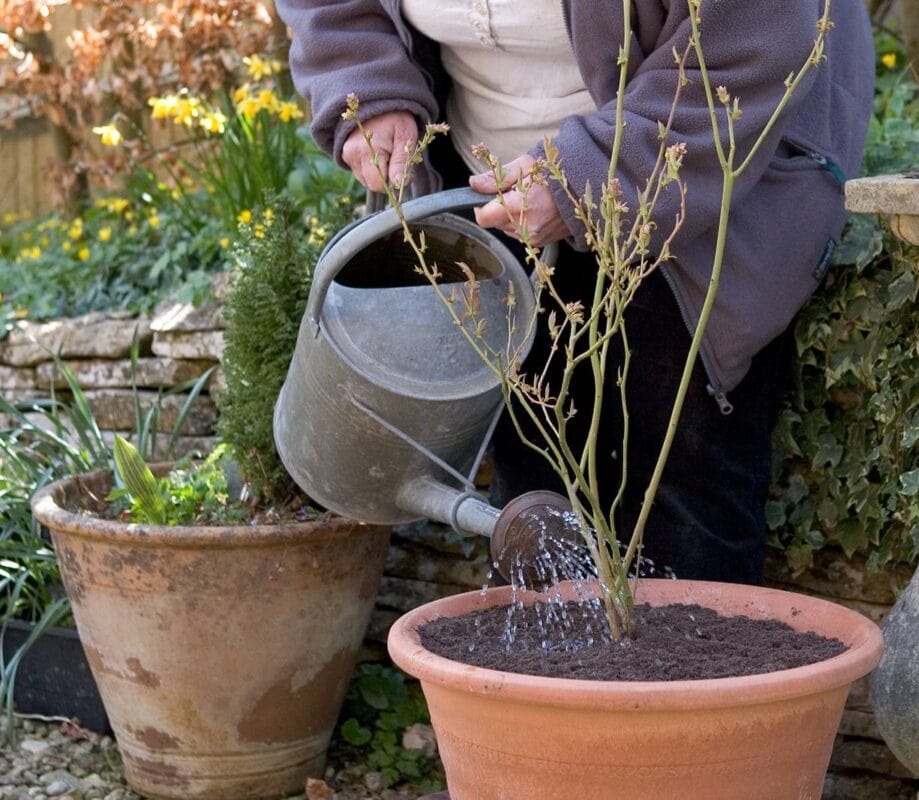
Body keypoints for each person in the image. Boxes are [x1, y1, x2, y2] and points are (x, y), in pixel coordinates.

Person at [275, 0, 875, 585]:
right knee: (535, 476)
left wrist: (592, 177)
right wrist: (365, 83)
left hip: (693, 164)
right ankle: (537, 682)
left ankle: (686, 682)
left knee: (678, 493)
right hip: (485, 175)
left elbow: (749, 39)